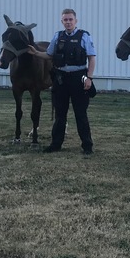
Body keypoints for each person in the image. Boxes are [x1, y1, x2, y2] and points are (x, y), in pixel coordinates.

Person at [29, 8, 97, 155]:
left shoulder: (84, 36)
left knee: (81, 114)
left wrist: (89, 78)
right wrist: (35, 53)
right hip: (61, 79)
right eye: (65, 20)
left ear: (75, 21)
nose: (68, 22)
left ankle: (87, 146)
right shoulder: (57, 36)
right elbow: (49, 55)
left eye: (70, 19)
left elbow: (91, 58)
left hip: (79, 78)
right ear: (62, 21)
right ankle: (55, 144)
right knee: (60, 114)